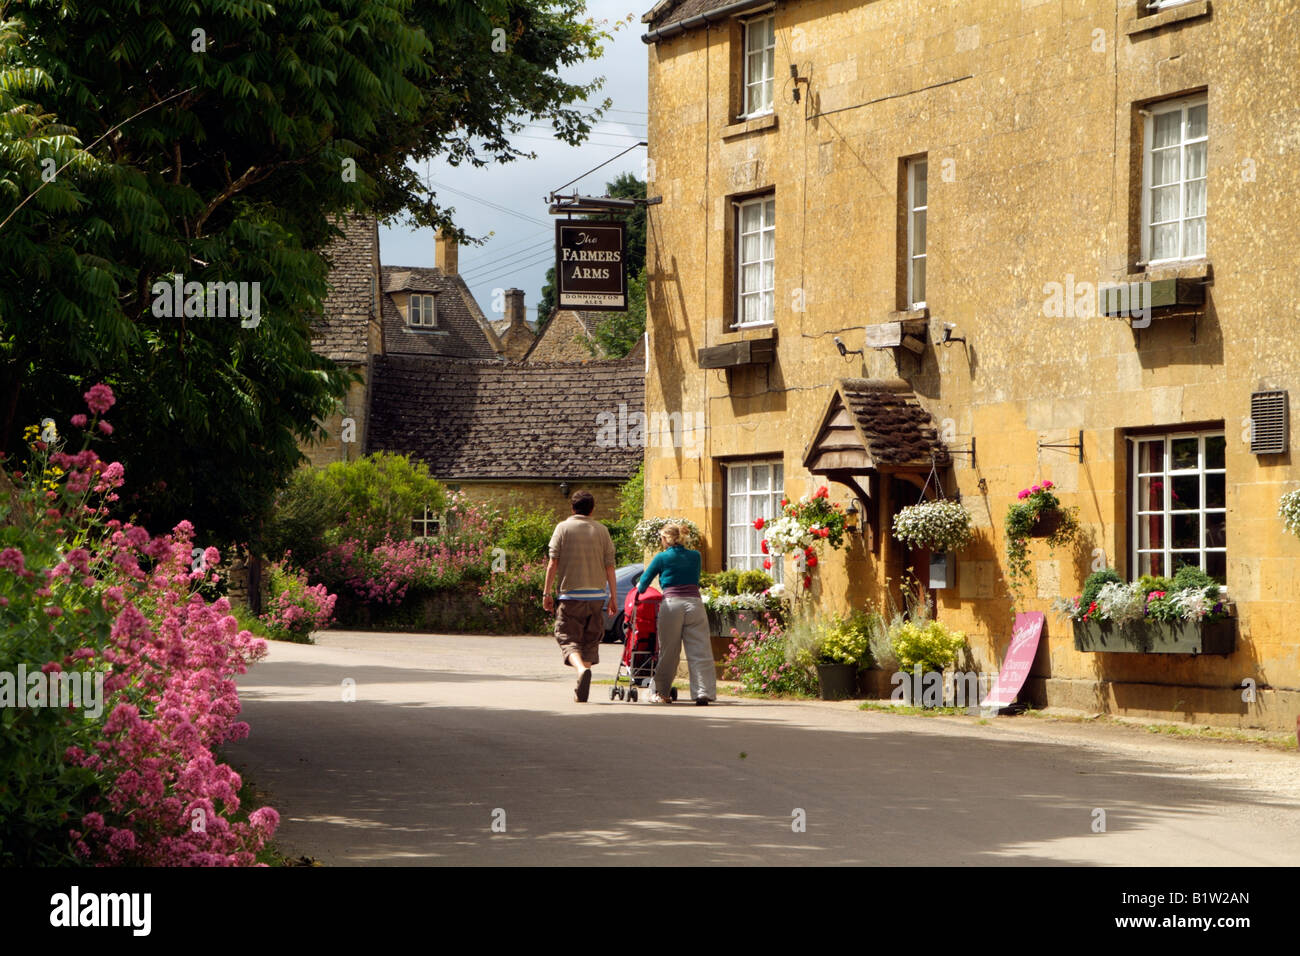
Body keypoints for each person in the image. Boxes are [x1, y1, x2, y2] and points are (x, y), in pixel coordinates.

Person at [543, 490, 617, 703]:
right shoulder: (602, 530)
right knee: (590, 641)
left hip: (570, 596)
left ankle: (581, 671)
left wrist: (547, 593)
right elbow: (610, 566)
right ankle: (582, 678)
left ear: (572, 508)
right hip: (596, 597)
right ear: (592, 509)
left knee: (568, 638)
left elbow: (553, 563)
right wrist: (612, 596)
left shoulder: (562, 528)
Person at [635, 523, 715, 705]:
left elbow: (643, 583)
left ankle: (661, 692)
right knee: (700, 650)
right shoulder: (696, 556)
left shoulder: (662, 558)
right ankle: (703, 692)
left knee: (669, 651)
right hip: (695, 604)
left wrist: (638, 592)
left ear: (665, 539)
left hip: (672, 605)